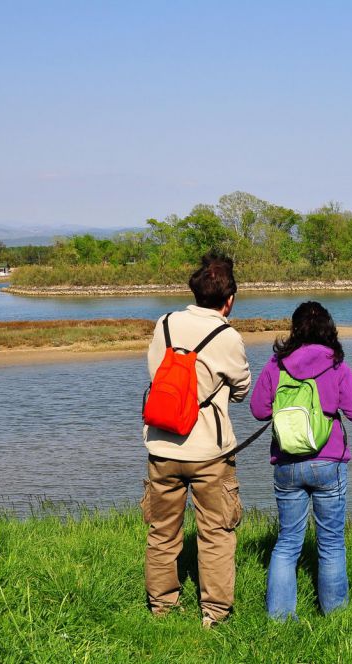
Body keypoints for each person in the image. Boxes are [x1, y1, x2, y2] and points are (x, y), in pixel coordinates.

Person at [141, 251, 251, 628]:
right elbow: (241, 389)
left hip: (162, 445)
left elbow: (156, 374)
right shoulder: (228, 336)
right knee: (217, 534)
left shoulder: (165, 324)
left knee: (162, 531)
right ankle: (216, 614)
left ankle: (161, 607)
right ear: (230, 299)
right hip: (210, 452)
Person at [249, 301, 352, 620]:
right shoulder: (337, 364)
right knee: (330, 545)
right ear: (329, 329)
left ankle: (279, 620)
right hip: (329, 462)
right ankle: (336, 617)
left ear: (294, 330)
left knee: (287, 543)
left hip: (286, 464)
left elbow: (259, 410)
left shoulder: (277, 364)